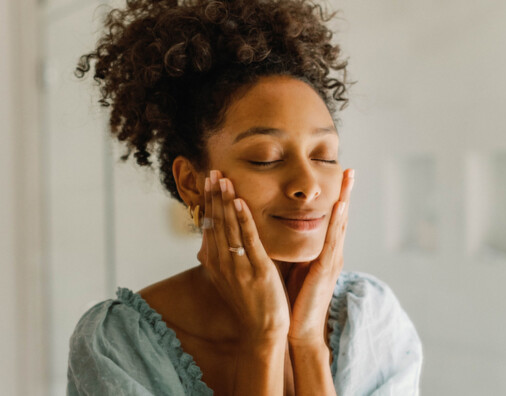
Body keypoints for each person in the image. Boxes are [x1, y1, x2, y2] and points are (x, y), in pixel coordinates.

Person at [67, 0, 423, 395]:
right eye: (265, 158)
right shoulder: (116, 345)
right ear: (190, 182)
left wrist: (307, 345)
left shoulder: (369, 316)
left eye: (325, 155)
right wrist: (264, 337)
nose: (308, 184)